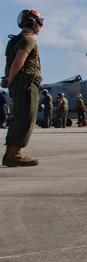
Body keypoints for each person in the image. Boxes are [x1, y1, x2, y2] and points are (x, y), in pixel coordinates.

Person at [3, 9, 44, 167]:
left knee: (18, 117)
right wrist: (11, 79)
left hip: (17, 82)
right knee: (27, 117)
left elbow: (11, 64)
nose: (41, 25)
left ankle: (10, 153)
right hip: (27, 81)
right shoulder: (28, 40)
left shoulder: (15, 40)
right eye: (39, 21)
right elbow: (19, 61)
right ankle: (14, 154)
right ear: (32, 22)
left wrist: (9, 80)